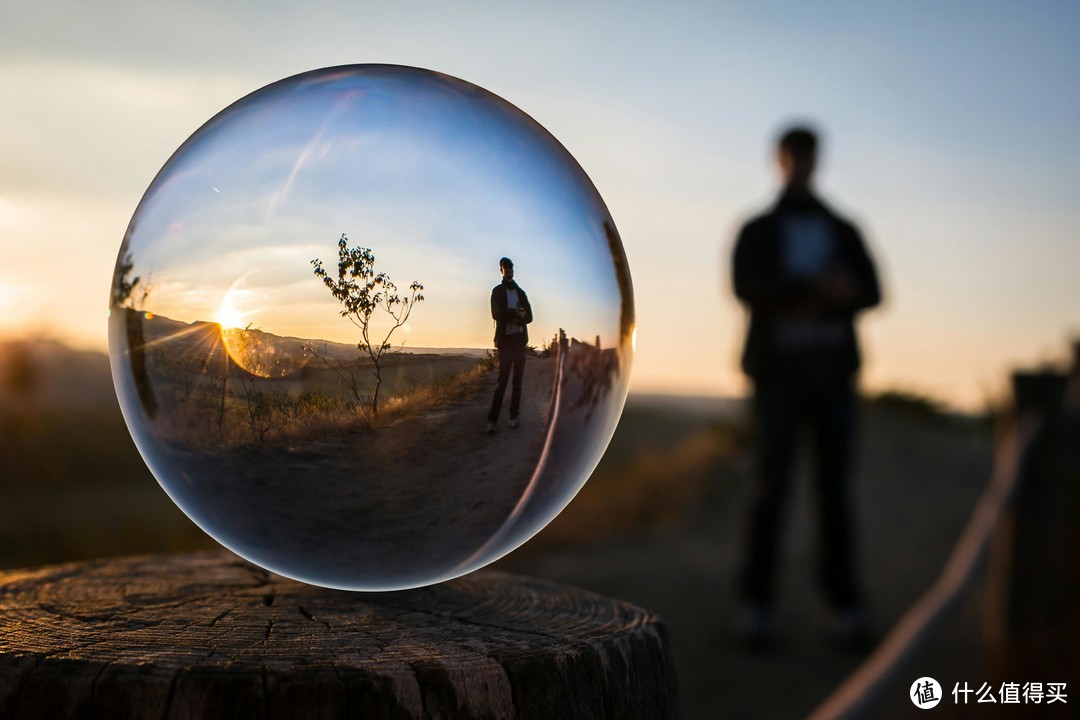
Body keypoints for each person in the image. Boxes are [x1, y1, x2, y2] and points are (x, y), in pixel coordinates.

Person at [731, 125, 882, 650]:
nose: (800, 165)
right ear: (780, 161)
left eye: (807, 157)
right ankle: (757, 607)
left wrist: (836, 293)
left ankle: (842, 606)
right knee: (770, 489)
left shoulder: (843, 228)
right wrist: (814, 288)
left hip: (833, 375)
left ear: (817, 161)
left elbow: (874, 291)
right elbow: (743, 286)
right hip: (778, 376)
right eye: (793, 157)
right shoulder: (758, 228)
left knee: (834, 493)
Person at [487, 257, 533, 433]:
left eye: (511, 267)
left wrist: (520, 315)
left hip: (520, 342)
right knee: (502, 383)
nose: (509, 270)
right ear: (501, 270)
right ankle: (492, 421)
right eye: (506, 268)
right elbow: (495, 313)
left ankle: (514, 417)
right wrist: (514, 313)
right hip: (506, 342)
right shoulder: (497, 291)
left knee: (517, 383)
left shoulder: (521, 292)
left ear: (514, 270)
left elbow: (529, 317)